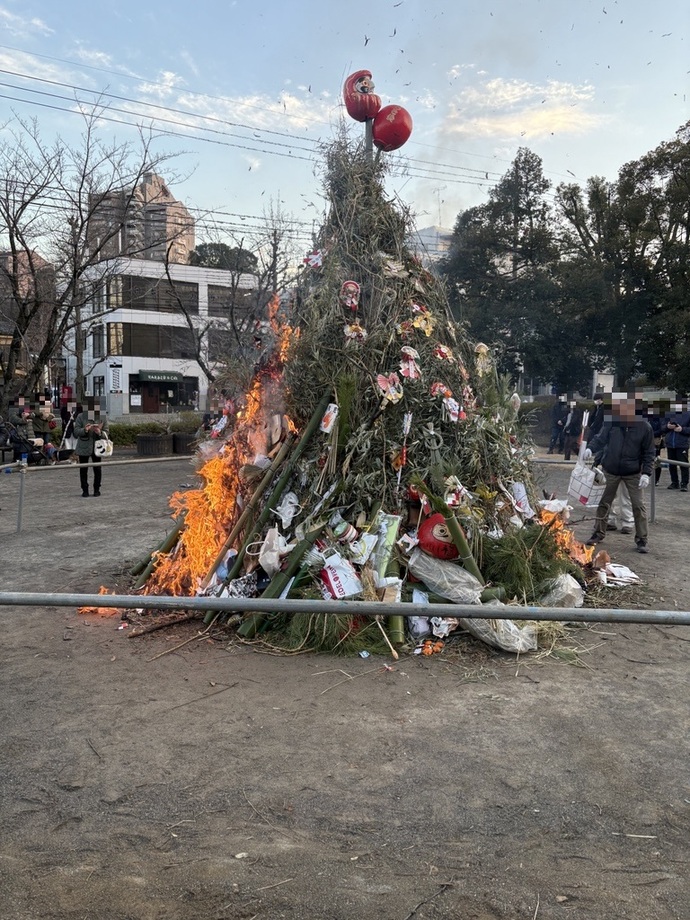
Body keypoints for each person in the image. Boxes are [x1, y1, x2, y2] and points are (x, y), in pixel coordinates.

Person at [585, 392, 655, 553]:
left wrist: (646, 473)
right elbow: (600, 438)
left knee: (638, 506)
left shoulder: (645, 428)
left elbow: (649, 452)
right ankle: (598, 533)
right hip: (611, 469)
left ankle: (642, 539)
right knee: (603, 503)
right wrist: (590, 448)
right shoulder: (612, 423)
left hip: (633, 472)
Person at [74, 400, 109, 497]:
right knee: (83, 469)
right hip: (83, 446)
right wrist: (85, 430)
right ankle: (85, 489)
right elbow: (76, 432)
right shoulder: (81, 416)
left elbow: (107, 433)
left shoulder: (102, 417)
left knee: (97, 469)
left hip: (98, 447)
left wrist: (99, 432)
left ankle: (97, 489)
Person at [662, 400, 690, 492]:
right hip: (670, 444)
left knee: (683, 464)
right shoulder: (669, 414)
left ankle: (684, 483)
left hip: (682, 444)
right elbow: (662, 427)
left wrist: (682, 429)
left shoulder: (688, 415)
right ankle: (674, 482)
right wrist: (667, 426)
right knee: (672, 464)